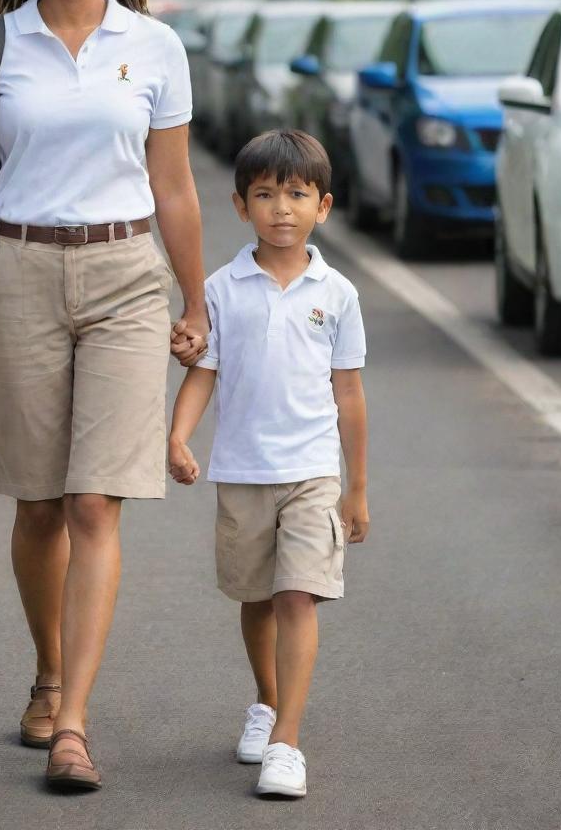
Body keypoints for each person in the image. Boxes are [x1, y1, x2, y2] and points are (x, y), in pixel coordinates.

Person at [0, 0, 208, 791]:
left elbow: (174, 185)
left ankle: (75, 725)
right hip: (21, 272)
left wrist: (196, 297)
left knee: (97, 500)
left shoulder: (155, 46)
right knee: (40, 501)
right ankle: (46, 671)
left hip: (129, 275)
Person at [168, 130, 370, 799]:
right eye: (265, 194)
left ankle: (286, 739)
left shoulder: (336, 293)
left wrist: (357, 489)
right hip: (242, 469)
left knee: (295, 597)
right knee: (255, 599)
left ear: (324, 206)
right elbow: (204, 371)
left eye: (296, 194)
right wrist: (178, 436)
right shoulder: (222, 289)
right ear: (239, 204)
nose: (281, 207)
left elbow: (350, 395)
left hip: (313, 472)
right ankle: (265, 699)